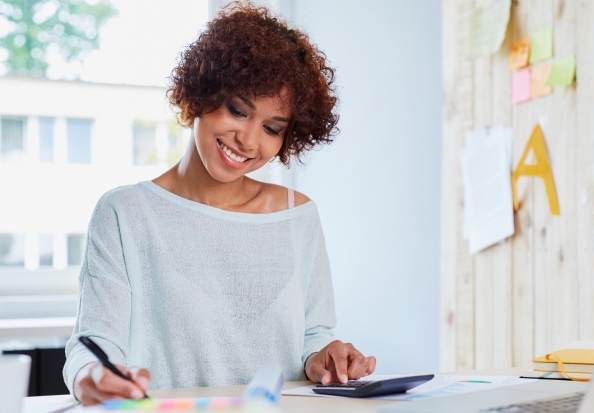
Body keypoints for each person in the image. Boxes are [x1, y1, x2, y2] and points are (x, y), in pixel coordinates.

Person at [63, 2, 376, 405]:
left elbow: (313, 335)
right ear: (201, 92)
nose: (248, 140)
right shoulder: (126, 214)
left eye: (270, 128)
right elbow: (93, 344)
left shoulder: (297, 217)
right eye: (237, 110)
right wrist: (93, 377)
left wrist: (326, 356)